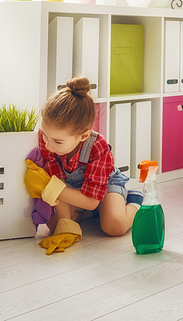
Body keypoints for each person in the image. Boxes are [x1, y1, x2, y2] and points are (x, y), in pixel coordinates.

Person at [23, 76, 143, 253]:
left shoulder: (97, 146)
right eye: (45, 136)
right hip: (71, 186)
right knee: (54, 224)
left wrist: (52, 188)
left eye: (57, 141)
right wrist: (65, 225)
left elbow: (91, 201)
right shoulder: (48, 138)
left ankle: (135, 202)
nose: (47, 145)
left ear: (84, 136)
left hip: (102, 187)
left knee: (114, 227)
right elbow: (58, 179)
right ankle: (87, 215)